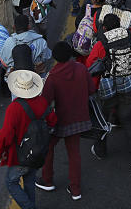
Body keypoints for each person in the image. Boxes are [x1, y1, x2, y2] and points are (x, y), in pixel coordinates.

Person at [85, 14, 131, 172]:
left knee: (102, 121)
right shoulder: (129, 39)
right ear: (120, 24)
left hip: (108, 89)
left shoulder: (102, 43)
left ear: (104, 28)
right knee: (128, 120)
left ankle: (100, 150)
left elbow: (90, 64)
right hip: (128, 87)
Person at [36, 42, 95, 201]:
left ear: (55, 57)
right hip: (79, 119)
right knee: (74, 153)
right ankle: (75, 190)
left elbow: (45, 102)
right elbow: (91, 90)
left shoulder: (53, 76)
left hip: (59, 121)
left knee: (48, 148)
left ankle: (47, 179)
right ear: (70, 54)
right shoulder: (81, 69)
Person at [0, 66, 56, 209]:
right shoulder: (42, 102)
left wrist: (0, 152)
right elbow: (52, 120)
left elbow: (6, 134)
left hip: (20, 155)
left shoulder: (14, 108)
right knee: (29, 182)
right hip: (38, 151)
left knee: (11, 182)